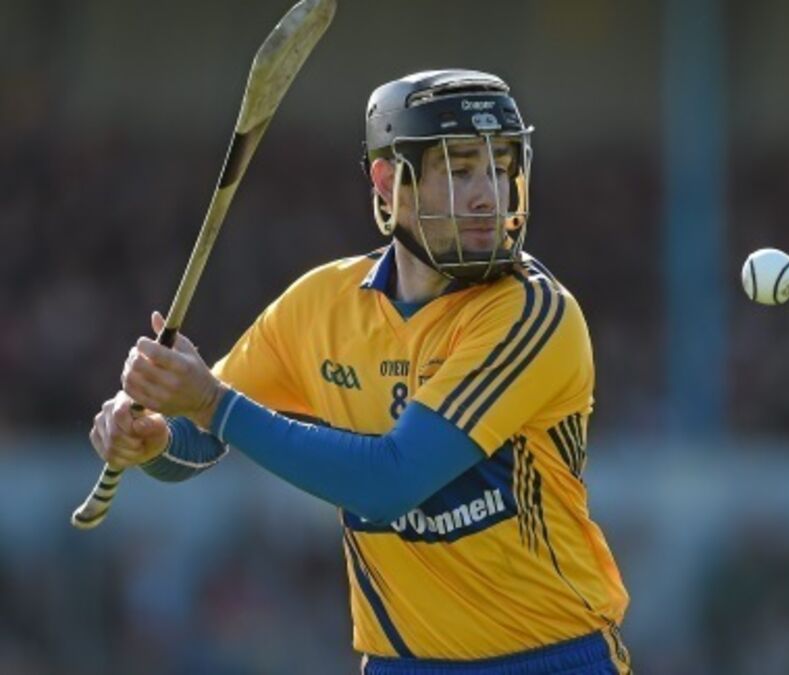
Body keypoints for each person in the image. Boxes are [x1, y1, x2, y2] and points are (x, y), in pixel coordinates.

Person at [90, 69, 632, 675]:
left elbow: (388, 484)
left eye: (499, 168)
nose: (489, 196)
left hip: (552, 660)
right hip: (399, 664)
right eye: (459, 172)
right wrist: (153, 438)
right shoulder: (319, 306)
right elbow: (199, 439)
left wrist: (210, 402)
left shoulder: (533, 313)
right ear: (388, 182)